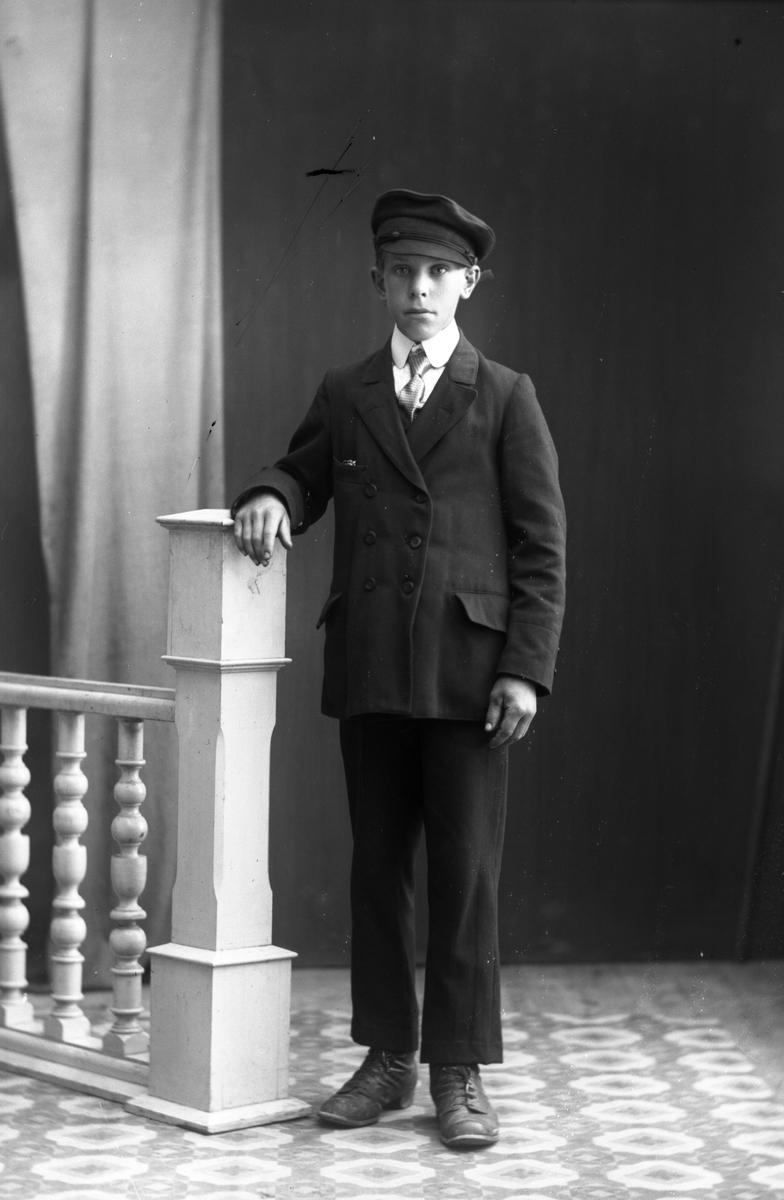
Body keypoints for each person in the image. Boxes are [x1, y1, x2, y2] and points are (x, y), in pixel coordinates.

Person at [232, 189, 566, 1148]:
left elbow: (542, 548)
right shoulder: (347, 391)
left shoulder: (505, 394)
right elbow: (302, 470)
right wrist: (270, 493)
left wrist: (524, 669)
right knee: (378, 869)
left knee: (464, 876)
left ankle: (457, 1069)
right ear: (378, 281)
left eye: (438, 273)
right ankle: (387, 1058)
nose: (420, 289)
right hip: (375, 662)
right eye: (403, 272)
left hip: (469, 675)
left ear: (469, 284)